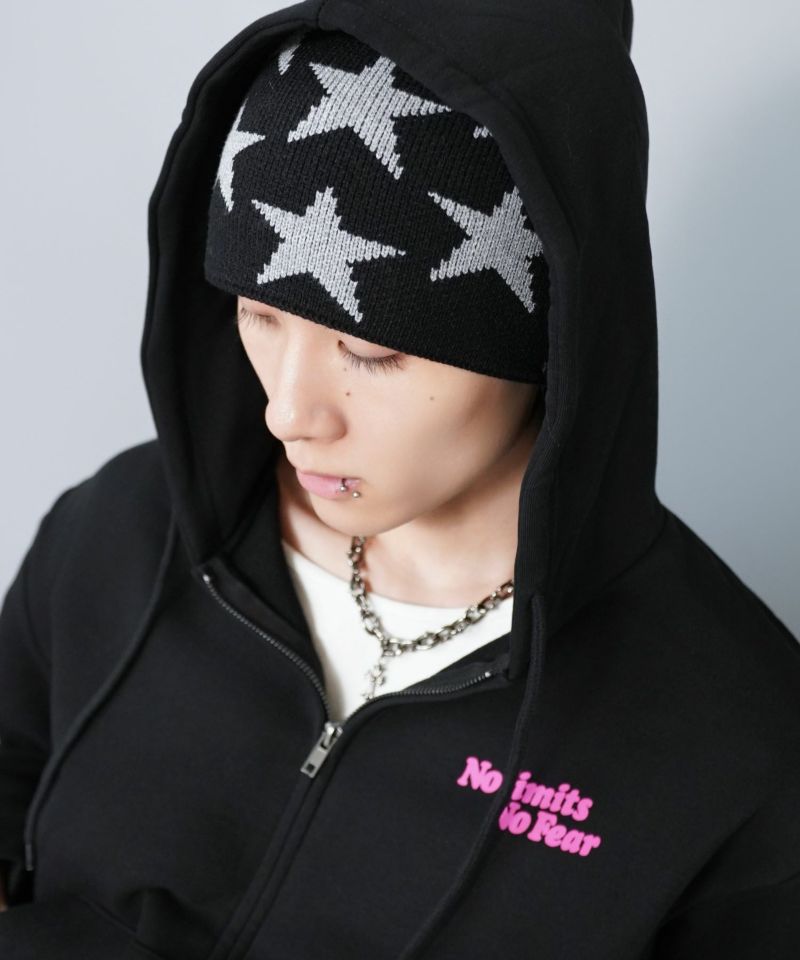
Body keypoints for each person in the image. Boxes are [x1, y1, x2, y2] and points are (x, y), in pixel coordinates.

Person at [1, 2, 798, 958]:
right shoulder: (118, 530)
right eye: (259, 316)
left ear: (554, 338)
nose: (289, 412)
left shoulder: (734, 735)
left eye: (370, 351)